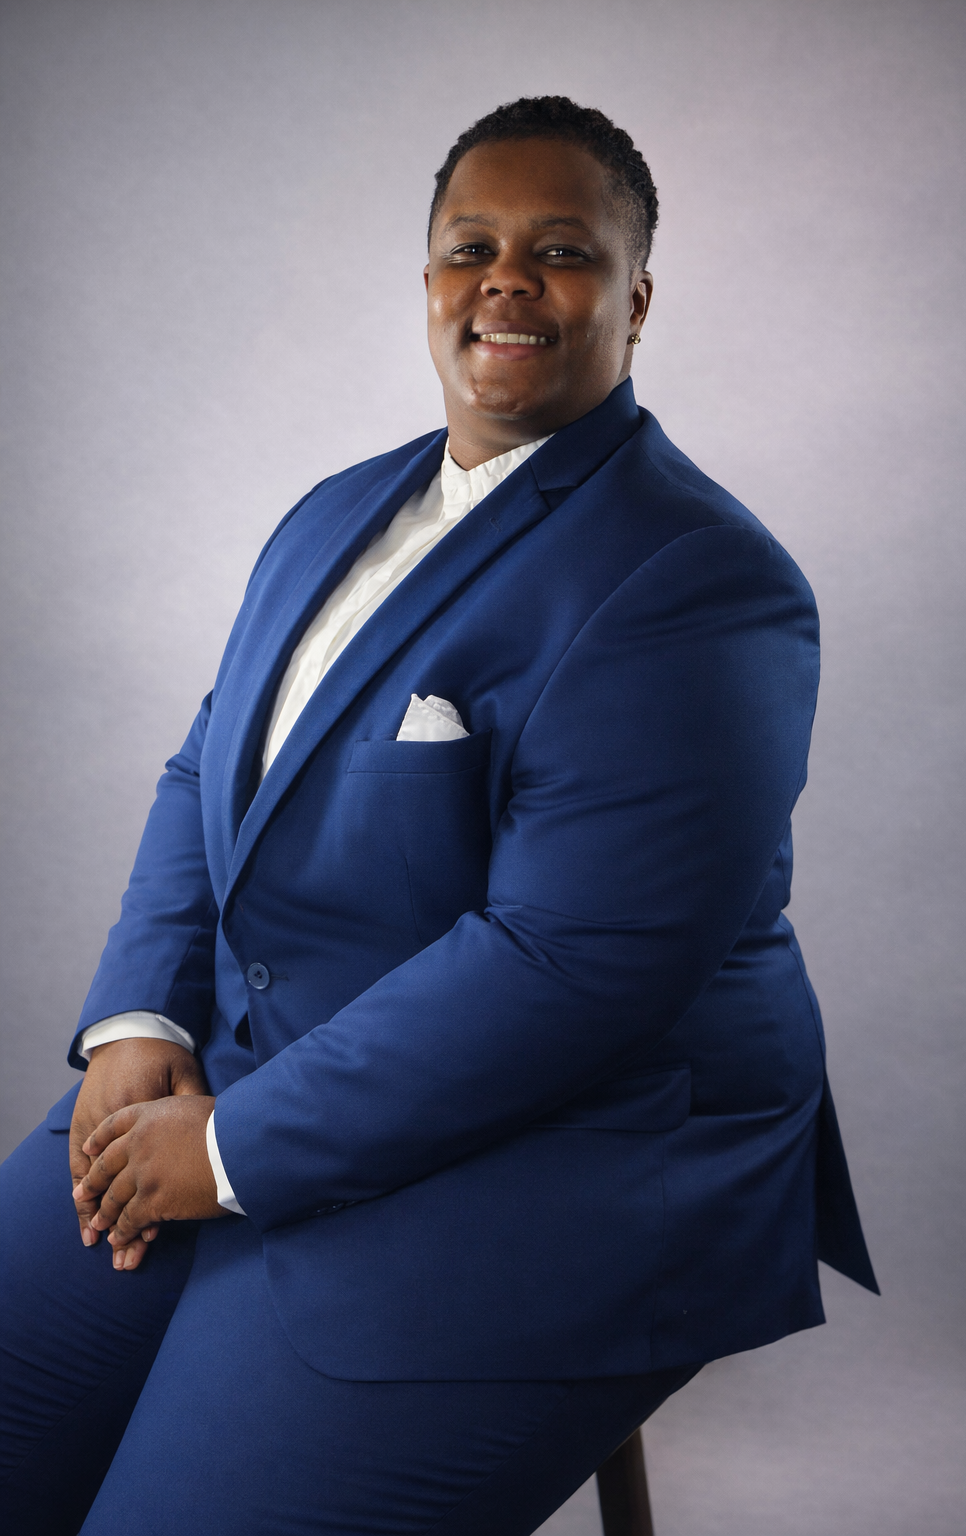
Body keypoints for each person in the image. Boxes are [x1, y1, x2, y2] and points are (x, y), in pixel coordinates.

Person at [0, 96, 876, 1535]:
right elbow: (201, 773)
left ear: (637, 298)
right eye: (472, 245)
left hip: (561, 1148)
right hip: (247, 1069)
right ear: (429, 285)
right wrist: (138, 1027)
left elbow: (570, 968)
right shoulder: (331, 514)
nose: (508, 279)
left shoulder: (699, 585)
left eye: (563, 251)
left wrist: (227, 1154)